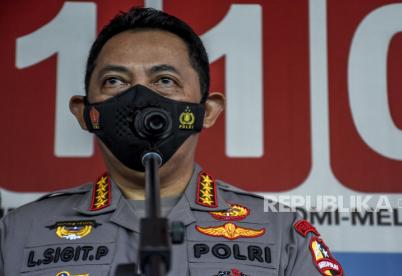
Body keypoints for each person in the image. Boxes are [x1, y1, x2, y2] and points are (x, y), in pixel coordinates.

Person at [0, 7, 343, 276]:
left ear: (207, 111)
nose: (139, 97)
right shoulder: (18, 232)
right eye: (115, 81)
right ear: (85, 112)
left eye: (164, 80)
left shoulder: (281, 232)